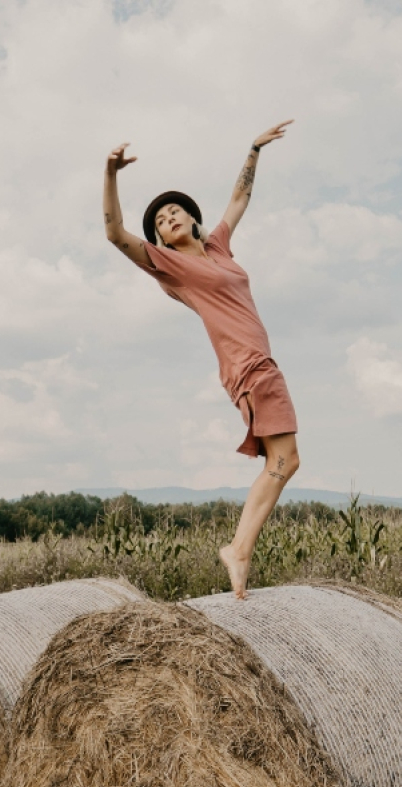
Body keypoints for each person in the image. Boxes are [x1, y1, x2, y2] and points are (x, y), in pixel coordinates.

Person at [103, 120, 298, 600]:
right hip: (248, 367)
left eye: (175, 212)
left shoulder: (217, 249)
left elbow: (239, 199)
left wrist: (253, 149)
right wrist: (110, 174)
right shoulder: (174, 268)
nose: (168, 217)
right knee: (285, 460)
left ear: (192, 221)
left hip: (262, 364)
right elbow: (114, 232)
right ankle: (238, 550)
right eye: (160, 220)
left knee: (284, 461)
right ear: (162, 242)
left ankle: (239, 550)